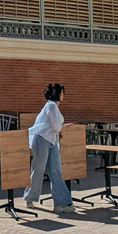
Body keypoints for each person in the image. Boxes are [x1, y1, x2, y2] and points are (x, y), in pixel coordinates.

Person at [23, 83, 76, 213]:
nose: (63, 95)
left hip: (52, 140)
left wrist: (62, 127)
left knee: (54, 171)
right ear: (57, 93)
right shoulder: (51, 105)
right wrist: (63, 127)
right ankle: (31, 197)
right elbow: (56, 126)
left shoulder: (53, 107)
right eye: (62, 92)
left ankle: (62, 203)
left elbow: (56, 125)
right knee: (39, 169)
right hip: (42, 139)